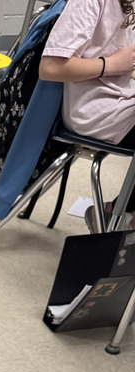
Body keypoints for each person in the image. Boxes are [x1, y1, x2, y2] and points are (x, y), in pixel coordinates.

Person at [39, 0, 135, 227]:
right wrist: (110, 64)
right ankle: (125, 222)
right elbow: (50, 67)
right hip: (96, 110)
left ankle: (119, 213)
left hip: (124, 99)